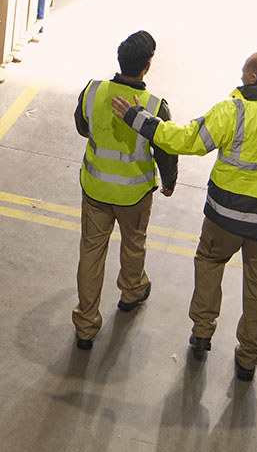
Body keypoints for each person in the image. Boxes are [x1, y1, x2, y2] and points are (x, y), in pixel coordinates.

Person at [112, 50, 257, 380]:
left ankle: (202, 333)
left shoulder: (231, 112)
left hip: (224, 219)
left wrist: (138, 118)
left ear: (252, 79)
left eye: (244, 73)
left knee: (208, 264)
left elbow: (185, 139)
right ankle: (248, 359)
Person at [72, 30, 178, 349]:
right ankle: (132, 291)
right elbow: (165, 150)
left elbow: (82, 127)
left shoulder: (92, 91)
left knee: (91, 251)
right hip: (134, 194)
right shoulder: (155, 106)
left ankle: (86, 325)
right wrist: (169, 182)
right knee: (133, 244)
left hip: (95, 189)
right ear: (147, 66)